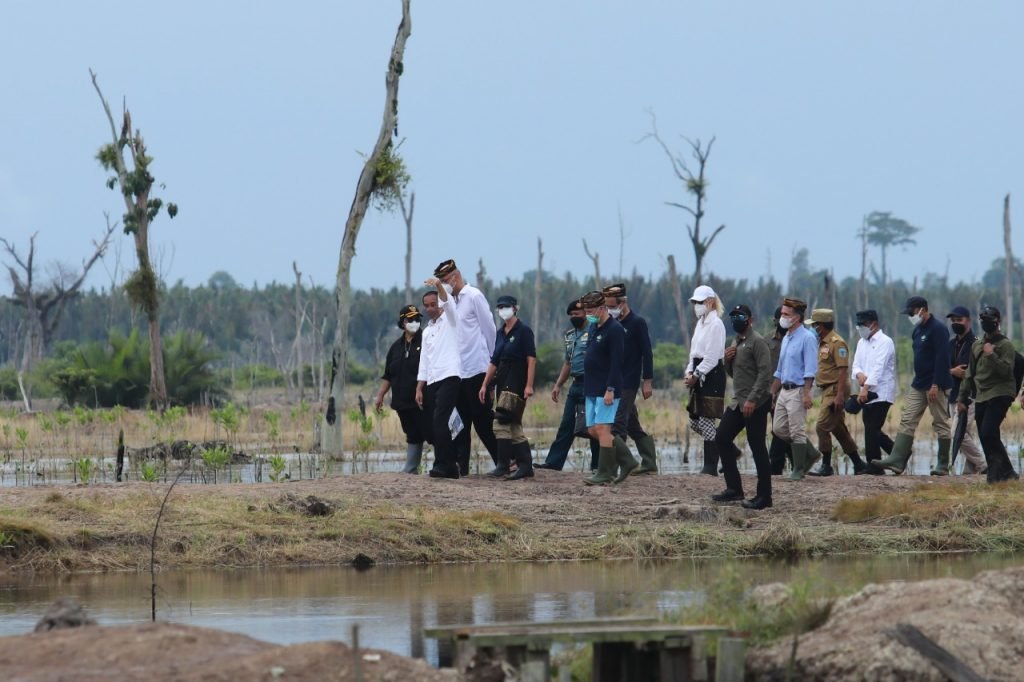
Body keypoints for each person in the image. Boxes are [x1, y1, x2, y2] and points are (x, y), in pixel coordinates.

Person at [872, 296, 952, 475]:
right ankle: (897, 459)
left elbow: (942, 359)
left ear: (922, 309)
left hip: (935, 384)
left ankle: (943, 464)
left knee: (940, 422)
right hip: (919, 383)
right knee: (907, 418)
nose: (910, 316)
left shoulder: (938, 329)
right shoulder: (917, 331)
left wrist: (936, 384)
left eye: (912, 312)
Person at [434, 259, 499, 476]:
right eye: (440, 282)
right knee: (460, 424)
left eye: (445, 281)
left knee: (482, 420)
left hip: (477, 369)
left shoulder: (474, 296)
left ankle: (503, 462)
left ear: (456, 276)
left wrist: (493, 365)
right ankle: (462, 466)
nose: (443, 285)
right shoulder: (448, 303)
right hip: (457, 372)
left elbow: (490, 330)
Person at [713, 304, 774, 509]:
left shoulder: (758, 342)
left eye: (740, 316)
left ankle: (764, 497)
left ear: (750, 319)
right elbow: (736, 374)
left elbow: (765, 374)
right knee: (721, 437)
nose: (736, 320)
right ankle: (734, 489)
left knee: (757, 447)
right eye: (733, 317)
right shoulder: (736, 342)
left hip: (756, 403)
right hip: (738, 401)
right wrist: (727, 361)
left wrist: (753, 399)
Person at [478, 295, 537, 480]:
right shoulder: (500, 333)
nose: (503, 310)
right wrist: (485, 384)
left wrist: (529, 385)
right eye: (500, 307)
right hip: (502, 380)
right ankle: (522, 465)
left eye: (506, 306)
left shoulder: (524, 331)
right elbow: (494, 361)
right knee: (512, 424)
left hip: (517, 379)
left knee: (501, 421)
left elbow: (531, 359)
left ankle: (504, 464)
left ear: (515, 308)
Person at [603, 283, 659, 475]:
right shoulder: (610, 324)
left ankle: (615, 466)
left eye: (613, 306)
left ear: (623, 302)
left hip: (629, 381)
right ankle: (650, 462)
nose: (610, 310)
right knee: (632, 423)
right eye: (607, 307)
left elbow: (647, 352)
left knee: (617, 423)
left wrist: (647, 380)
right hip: (612, 380)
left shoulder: (637, 322)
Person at [578, 290, 633, 485]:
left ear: (602, 309)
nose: (588, 315)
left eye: (591, 310)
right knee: (592, 429)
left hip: (606, 387)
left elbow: (617, 363)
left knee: (603, 428)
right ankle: (627, 460)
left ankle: (605, 472)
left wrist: (611, 389)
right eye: (586, 311)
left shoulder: (615, 329)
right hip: (591, 386)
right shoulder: (594, 328)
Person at [537, 299, 600, 471]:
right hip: (576, 383)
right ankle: (553, 463)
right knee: (567, 425)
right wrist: (558, 385)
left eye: (577, 314)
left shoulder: (595, 331)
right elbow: (568, 362)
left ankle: (598, 465)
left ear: (585, 314)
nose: (574, 317)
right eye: (571, 315)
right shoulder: (570, 335)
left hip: (593, 382)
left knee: (593, 425)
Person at [806, 309, 867, 476]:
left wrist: (840, 396)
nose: (813, 328)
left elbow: (842, 371)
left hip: (835, 389)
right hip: (826, 389)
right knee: (838, 429)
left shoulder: (836, 343)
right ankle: (858, 463)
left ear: (821, 326)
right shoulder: (822, 342)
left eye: (815, 325)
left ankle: (826, 465)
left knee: (821, 426)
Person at [961, 306, 1019, 483]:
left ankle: (993, 475)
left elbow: (1006, 371)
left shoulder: (1005, 345)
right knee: (986, 434)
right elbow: (970, 372)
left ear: (997, 321)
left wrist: (992, 354)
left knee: (988, 432)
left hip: (1001, 392)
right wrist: (962, 397)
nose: (986, 323)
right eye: (983, 319)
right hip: (982, 394)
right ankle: (1008, 471)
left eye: (990, 319)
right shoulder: (977, 345)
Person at [415, 278, 463, 479]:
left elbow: (447, 299)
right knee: (434, 424)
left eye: (433, 305)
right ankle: (447, 464)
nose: (430, 309)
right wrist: (419, 387)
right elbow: (424, 361)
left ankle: (445, 464)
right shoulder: (426, 331)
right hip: (433, 380)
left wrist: (438, 285)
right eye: (426, 306)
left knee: (440, 420)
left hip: (450, 375)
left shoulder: (451, 320)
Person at [375, 305, 430, 473]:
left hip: (422, 399)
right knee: (412, 434)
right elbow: (388, 375)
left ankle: (445, 464)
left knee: (432, 432)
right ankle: (411, 468)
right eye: (410, 320)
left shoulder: (426, 341)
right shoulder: (395, 347)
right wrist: (380, 395)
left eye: (417, 319)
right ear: (402, 322)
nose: (414, 323)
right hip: (401, 401)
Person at [770, 297, 820, 481]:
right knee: (779, 429)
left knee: (797, 430)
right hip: (785, 389)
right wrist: (773, 392)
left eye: (786, 314)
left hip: (799, 389)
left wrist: (807, 393)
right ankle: (811, 452)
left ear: (797, 318)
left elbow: (810, 369)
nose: (782, 317)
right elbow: (780, 370)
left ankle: (799, 468)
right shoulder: (787, 338)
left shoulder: (807, 338)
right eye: (782, 313)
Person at [684, 285, 727, 476]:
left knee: (706, 420)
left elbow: (711, 357)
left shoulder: (716, 324)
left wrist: (697, 375)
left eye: (700, 302)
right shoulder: (700, 323)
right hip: (698, 372)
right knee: (695, 420)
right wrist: (689, 371)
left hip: (712, 375)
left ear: (710, 302)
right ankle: (729, 450)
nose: (697, 306)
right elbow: (694, 353)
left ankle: (710, 467)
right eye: (695, 303)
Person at [849, 309, 897, 468]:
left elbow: (879, 369)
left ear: (873, 324)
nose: (860, 328)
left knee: (872, 427)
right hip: (867, 392)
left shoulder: (885, 342)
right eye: (858, 325)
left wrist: (865, 387)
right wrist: (859, 374)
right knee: (870, 428)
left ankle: (892, 457)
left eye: (863, 325)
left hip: (882, 392)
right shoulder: (861, 343)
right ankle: (878, 462)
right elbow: (855, 365)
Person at [945, 306, 987, 475]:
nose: (956, 323)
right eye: (953, 321)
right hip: (953, 394)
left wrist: (965, 373)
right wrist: (952, 371)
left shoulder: (976, 344)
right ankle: (970, 470)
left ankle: (983, 464)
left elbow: (980, 371)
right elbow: (945, 368)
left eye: (959, 320)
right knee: (965, 433)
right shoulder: (950, 344)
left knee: (958, 432)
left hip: (970, 395)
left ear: (968, 321)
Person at [765, 307, 792, 475]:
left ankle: (776, 465)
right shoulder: (767, 341)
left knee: (782, 429)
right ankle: (799, 462)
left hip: (790, 390)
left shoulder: (797, 339)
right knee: (781, 429)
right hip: (770, 391)